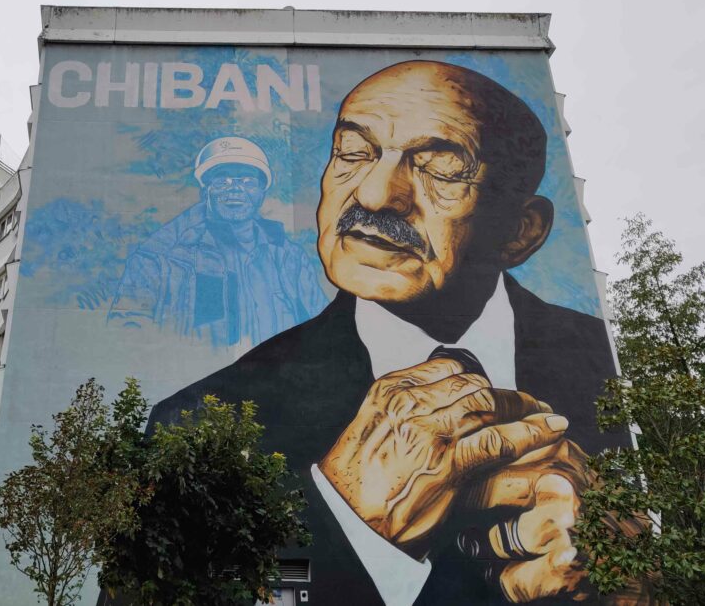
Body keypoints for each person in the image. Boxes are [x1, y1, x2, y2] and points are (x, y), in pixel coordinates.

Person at [146, 61, 634, 605]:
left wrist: (633, 572)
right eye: (354, 154)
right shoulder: (204, 419)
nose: (377, 196)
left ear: (521, 231)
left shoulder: (622, 372)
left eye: (441, 169)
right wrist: (349, 523)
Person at [108, 136, 327, 347]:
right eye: (222, 180)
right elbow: (126, 334)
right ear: (205, 192)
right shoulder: (158, 258)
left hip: (278, 381)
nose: (235, 188)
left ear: (261, 194)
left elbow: (325, 326)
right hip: (199, 383)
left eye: (248, 181)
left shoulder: (289, 259)